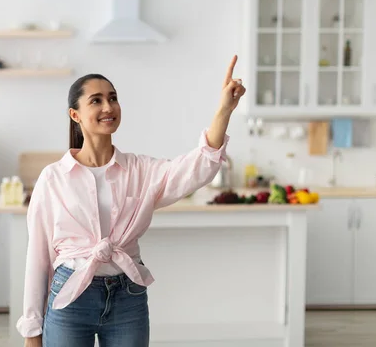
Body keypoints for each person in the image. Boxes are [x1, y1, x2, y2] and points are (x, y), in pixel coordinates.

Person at [18, 55, 246, 347]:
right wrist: (32, 331)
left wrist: (223, 111)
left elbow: (196, 167)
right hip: (70, 297)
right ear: (75, 115)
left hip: (128, 296)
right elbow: (37, 257)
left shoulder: (140, 170)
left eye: (112, 98)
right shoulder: (54, 178)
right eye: (96, 100)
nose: (108, 107)